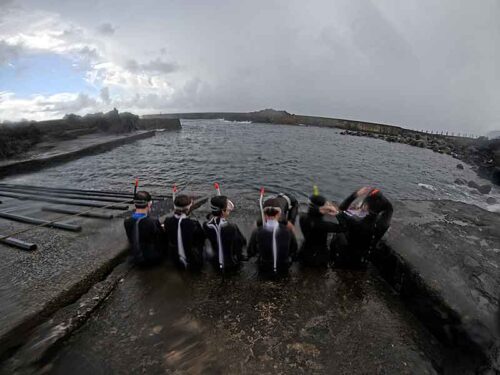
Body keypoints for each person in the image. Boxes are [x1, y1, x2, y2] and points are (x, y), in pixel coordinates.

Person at [331, 187, 393, 268]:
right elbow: (389, 209)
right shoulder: (382, 225)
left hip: (345, 258)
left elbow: (341, 209)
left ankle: (331, 259)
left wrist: (355, 195)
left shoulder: (353, 221)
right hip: (362, 260)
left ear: (366, 206)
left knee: (339, 234)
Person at [248, 197, 298, 276]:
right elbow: (294, 250)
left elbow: (251, 251)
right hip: (284, 269)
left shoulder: (257, 231)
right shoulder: (288, 231)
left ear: (264, 215)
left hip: (264, 269)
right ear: (279, 214)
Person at [203, 195, 247, 272]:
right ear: (223, 211)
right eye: (228, 209)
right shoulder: (232, 227)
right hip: (231, 264)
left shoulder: (205, 225)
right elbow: (242, 242)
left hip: (214, 263)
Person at [298, 194, 344, 267]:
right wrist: (337, 214)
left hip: (305, 252)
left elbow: (312, 211)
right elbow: (343, 228)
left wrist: (320, 209)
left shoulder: (303, 217)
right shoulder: (323, 225)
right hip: (318, 257)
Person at [163, 194, 205, 271]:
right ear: (188, 208)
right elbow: (201, 240)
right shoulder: (193, 224)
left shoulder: (167, 221)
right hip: (194, 262)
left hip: (174, 260)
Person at [124, 191, 164, 266]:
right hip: (152, 260)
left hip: (135, 259)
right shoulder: (153, 221)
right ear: (149, 204)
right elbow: (161, 237)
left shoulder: (127, 221)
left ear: (135, 204)